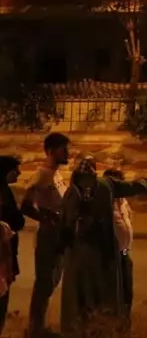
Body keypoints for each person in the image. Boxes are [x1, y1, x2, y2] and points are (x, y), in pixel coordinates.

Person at [59, 157, 147, 335]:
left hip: (94, 255)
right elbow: (66, 227)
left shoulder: (86, 190)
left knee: (95, 297)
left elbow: (64, 228)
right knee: (94, 296)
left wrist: (143, 184)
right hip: (92, 255)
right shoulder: (98, 188)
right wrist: (144, 183)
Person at [21, 132, 70, 338]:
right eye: (63, 149)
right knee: (44, 283)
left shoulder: (57, 175)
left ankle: (38, 327)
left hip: (59, 237)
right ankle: (34, 329)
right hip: (48, 237)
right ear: (51, 151)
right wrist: (45, 217)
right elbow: (26, 205)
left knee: (52, 282)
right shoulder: (42, 175)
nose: (67, 153)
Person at [103, 169, 135, 316]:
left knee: (127, 293)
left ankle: (124, 321)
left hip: (124, 254)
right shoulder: (104, 204)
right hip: (111, 256)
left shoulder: (123, 201)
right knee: (112, 295)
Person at [0, 155, 25, 333]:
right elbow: (14, 219)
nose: (19, 173)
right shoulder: (2, 193)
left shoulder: (5, 191)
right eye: (15, 170)